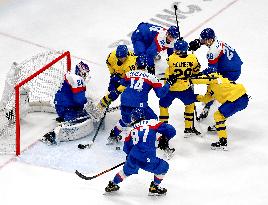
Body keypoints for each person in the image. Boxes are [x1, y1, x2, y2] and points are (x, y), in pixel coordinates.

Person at [104, 108, 176, 196]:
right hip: (146, 156)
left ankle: (112, 184)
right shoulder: (151, 122)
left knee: (126, 171)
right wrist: (165, 138)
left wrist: (129, 156)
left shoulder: (130, 130)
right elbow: (171, 130)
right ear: (143, 116)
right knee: (163, 166)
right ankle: (154, 187)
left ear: (133, 119)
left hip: (133, 156)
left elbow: (126, 148)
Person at [102, 64, 177, 145]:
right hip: (139, 104)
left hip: (124, 102)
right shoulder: (151, 77)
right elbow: (160, 94)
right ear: (146, 66)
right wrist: (168, 83)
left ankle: (112, 136)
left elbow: (121, 86)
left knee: (125, 120)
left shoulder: (129, 74)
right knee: (153, 120)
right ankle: (162, 143)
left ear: (136, 65)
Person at [188, 28, 243, 124]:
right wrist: (198, 43)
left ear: (210, 39)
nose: (203, 41)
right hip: (233, 66)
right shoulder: (216, 41)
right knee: (213, 86)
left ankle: (219, 116)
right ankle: (209, 104)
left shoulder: (213, 51)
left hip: (230, 72)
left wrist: (197, 75)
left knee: (215, 88)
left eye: (204, 40)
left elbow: (211, 72)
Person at [191, 72, 249, 150]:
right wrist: (195, 97)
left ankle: (223, 143)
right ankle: (218, 126)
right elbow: (206, 98)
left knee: (218, 116)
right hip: (239, 99)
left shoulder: (215, 77)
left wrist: (189, 79)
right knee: (222, 114)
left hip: (237, 98)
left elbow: (201, 80)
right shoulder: (212, 87)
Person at [159, 39, 201, 137]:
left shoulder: (171, 58)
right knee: (190, 105)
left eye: (176, 49)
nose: (174, 50)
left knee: (163, 106)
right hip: (185, 88)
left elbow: (166, 72)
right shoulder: (192, 58)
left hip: (171, 89)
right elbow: (196, 71)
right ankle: (188, 128)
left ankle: (163, 128)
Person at [42, 61, 91, 144]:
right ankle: (54, 134)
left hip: (62, 106)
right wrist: (87, 102)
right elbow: (79, 100)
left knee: (82, 113)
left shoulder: (73, 77)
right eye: (85, 73)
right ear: (80, 71)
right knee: (80, 118)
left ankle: (64, 117)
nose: (86, 75)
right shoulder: (77, 79)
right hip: (66, 108)